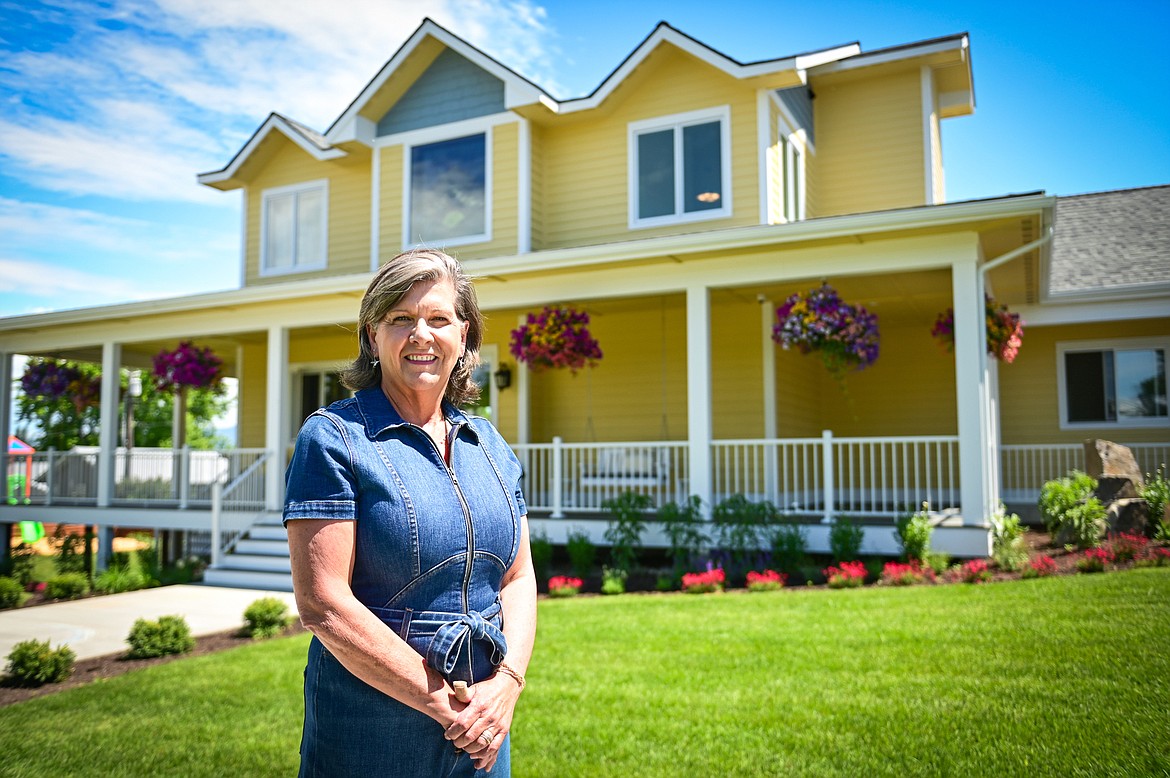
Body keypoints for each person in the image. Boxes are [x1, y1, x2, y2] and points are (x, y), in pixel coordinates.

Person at [284, 249, 536, 777]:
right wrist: (447, 707)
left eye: (438, 319)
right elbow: (323, 603)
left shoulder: (488, 444)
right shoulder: (333, 440)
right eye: (401, 319)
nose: (421, 334)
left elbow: (518, 575)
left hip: (484, 727)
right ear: (372, 336)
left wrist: (507, 685)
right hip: (372, 730)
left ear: (463, 336)